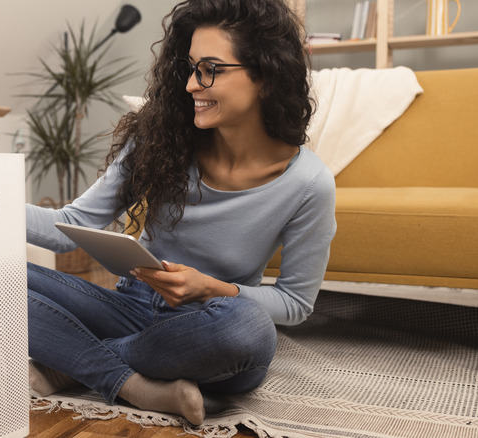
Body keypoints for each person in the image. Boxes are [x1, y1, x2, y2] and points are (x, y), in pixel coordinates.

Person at [25, 0, 336, 426]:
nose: (192, 84)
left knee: (248, 330)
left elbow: (295, 303)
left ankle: (71, 361)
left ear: (265, 74)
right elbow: (70, 228)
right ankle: (134, 383)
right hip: (131, 306)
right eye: (190, 68)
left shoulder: (309, 184)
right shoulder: (159, 139)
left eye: (209, 68)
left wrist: (211, 288)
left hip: (207, 325)